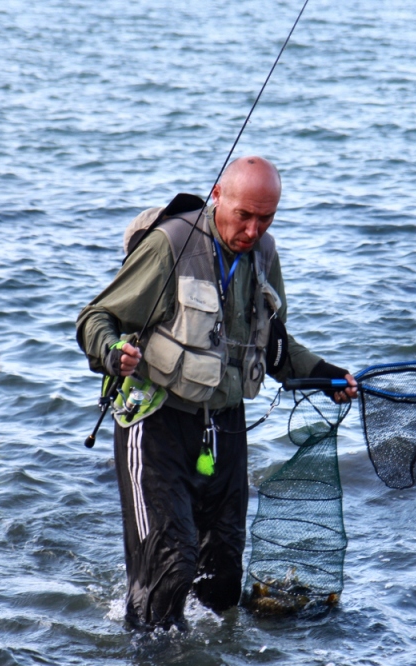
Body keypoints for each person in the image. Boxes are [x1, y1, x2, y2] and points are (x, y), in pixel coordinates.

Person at [75, 156, 357, 630]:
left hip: (223, 427)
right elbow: (95, 318)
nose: (252, 229)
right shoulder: (171, 244)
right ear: (218, 196)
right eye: (243, 215)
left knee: (222, 578)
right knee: (172, 564)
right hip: (155, 420)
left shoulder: (264, 255)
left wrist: (327, 376)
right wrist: (113, 349)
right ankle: (147, 658)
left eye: (265, 218)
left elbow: (274, 347)